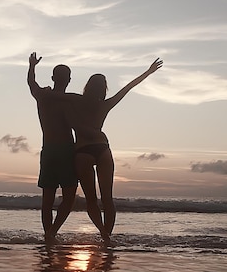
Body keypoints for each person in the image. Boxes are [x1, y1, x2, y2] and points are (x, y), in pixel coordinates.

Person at [60, 58, 163, 244]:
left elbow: (54, 96)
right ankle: (106, 237)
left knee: (91, 199)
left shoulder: (76, 99)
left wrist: (40, 83)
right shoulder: (105, 104)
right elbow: (129, 87)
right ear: (103, 89)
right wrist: (148, 72)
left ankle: (104, 234)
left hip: (83, 150)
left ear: (87, 86)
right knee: (107, 198)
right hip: (102, 148)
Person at [27, 52, 78, 243]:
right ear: (69, 80)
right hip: (65, 150)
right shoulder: (71, 100)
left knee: (47, 199)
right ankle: (52, 233)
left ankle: (49, 233)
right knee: (68, 196)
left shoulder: (44, 96)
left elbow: (31, 83)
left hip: (49, 150)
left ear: (53, 78)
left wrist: (32, 66)